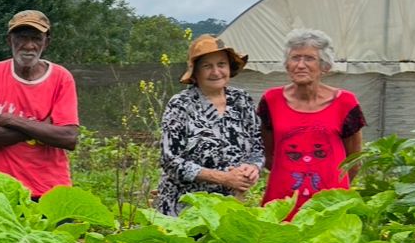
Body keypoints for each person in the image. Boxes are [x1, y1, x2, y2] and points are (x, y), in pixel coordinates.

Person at [259, 28, 365, 218]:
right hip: (282, 201)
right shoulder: (271, 100)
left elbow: (353, 161)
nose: (300, 65)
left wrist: (333, 186)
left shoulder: (346, 103)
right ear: (287, 64)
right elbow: (269, 154)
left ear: (324, 66)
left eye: (309, 58)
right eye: (295, 58)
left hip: (329, 203)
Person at [0, 10, 79, 198]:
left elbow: (68, 138)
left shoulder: (61, 78)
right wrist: (43, 128)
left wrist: (12, 121)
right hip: (3, 191)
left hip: (51, 190)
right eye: (22, 37)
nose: (29, 45)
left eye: (36, 38)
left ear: (46, 42)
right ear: (9, 40)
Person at [155, 35, 264, 216]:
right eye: (207, 66)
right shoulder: (181, 105)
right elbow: (170, 161)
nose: (216, 72)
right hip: (185, 210)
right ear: (195, 73)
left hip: (229, 207)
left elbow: (257, 147)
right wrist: (224, 178)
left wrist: (252, 168)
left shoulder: (241, 100)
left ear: (229, 68)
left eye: (221, 64)